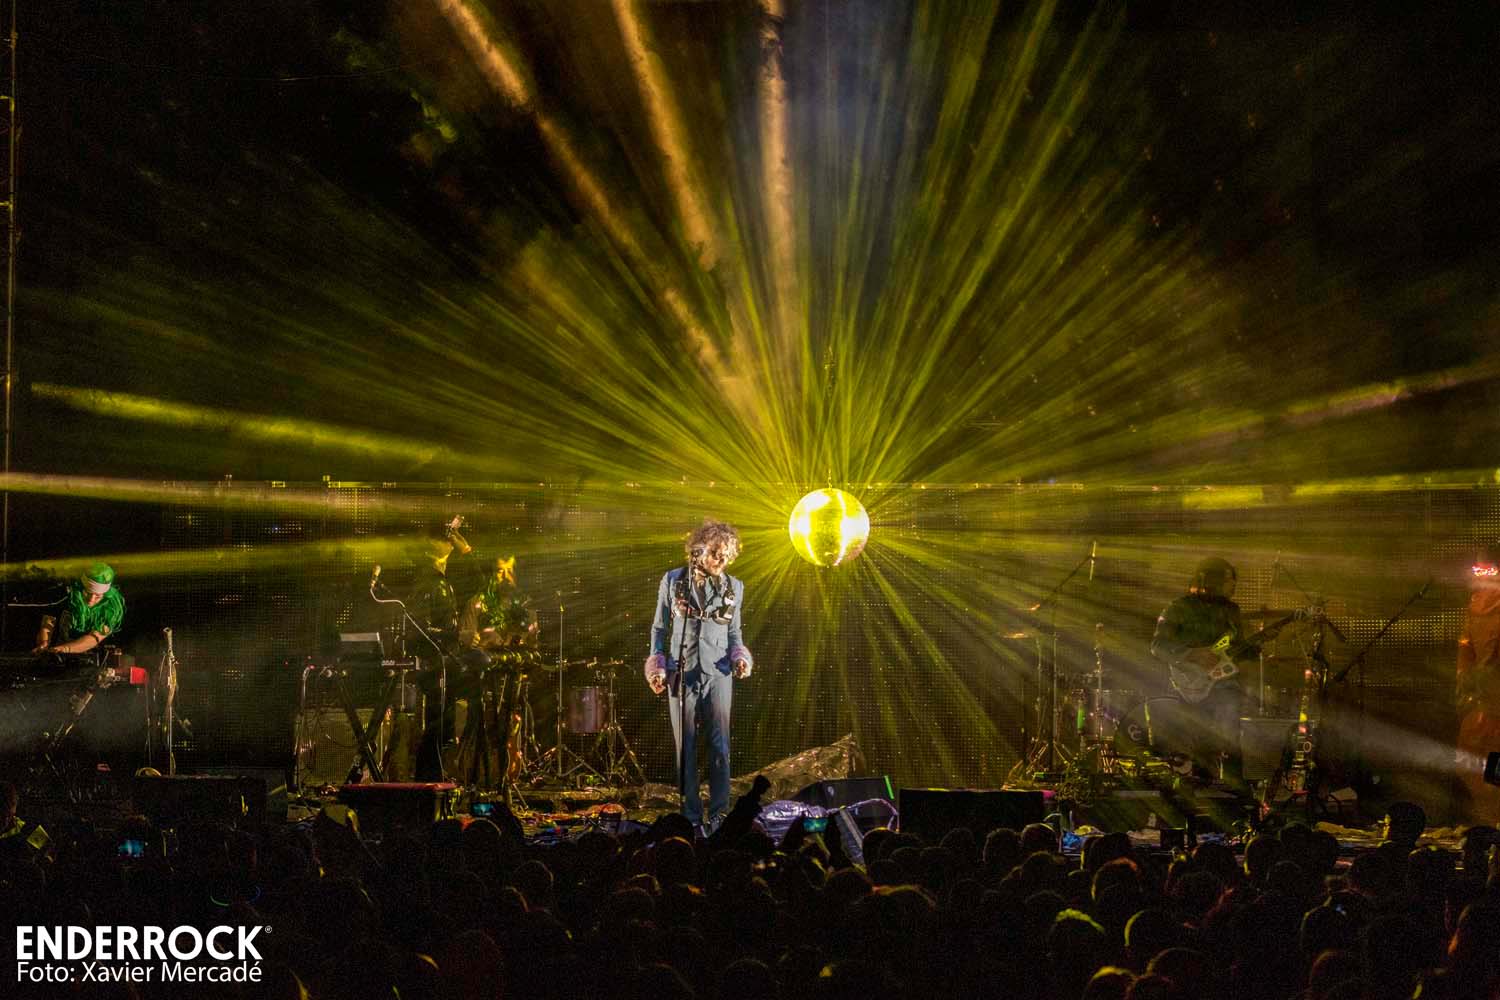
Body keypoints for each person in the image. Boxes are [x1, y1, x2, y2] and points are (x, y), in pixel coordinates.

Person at [644, 519, 754, 833]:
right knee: (686, 747)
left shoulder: (735, 587)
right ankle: (690, 817)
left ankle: (719, 814)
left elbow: (734, 633)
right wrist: (657, 665)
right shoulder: (673, 580)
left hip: (718, 673)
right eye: (717, 552)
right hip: (682, 671)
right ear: (699, 549)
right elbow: (659, 628)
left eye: (727, 555)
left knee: (720, 747)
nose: (722, 559)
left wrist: (740, 658)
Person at [1149, 557, 1246, 787]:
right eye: (1229, 581)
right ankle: (1201, 784)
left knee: (1231, 730)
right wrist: (1193, 654)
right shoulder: (1178, 608)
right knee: (1197, 738)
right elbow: (1158, 646)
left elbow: (1238, 648)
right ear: (1211, 581)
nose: (1233, 586)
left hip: (1223, 682)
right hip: (1188, 685)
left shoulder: (1232, 611)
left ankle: (1235, 787)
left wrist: (1252, 648)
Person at [1456, 543, 1500, 824]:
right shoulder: (1474, 605)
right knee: (1471, 761)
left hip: (1494, 702)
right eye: (1477, 569)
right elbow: (1466, 646)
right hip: (1482, 702)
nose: (1481, 575)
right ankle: (1488, 823)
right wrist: (1464, 680)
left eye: (1487, 569)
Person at [34, 562, 125, 656]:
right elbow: (47, 623)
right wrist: (44, 643)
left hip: (91, 659)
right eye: (88, 593)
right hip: (57, 655)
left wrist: (65, 649)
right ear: (81, 588)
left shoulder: (111, 608)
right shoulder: (67, 596)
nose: (91, 599)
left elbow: (93, 639)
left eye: (98, 596)